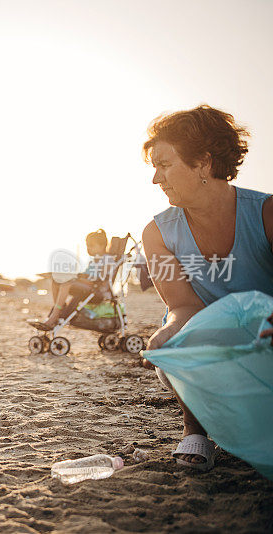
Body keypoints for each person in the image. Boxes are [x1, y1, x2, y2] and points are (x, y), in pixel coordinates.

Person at [140, 105, 273, 470]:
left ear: (202, 162)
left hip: (268, 338)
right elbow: (183, 306)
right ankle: (194, 429)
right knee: (180, 340)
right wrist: (168, 332)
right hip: (212, 339)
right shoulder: (158, 232)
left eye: (164, 164)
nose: (155, 178)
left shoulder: (266, 213)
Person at [33, 229, 111, 330]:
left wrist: (77, 278)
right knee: (56, 282)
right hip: (88, 287)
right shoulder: (94, 260)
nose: (88, 249)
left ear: (102, 245)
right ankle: (61, 308)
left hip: (97, 291)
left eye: (91, 246)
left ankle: (55, 315)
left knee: (66, 283)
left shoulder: (107, 259)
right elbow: (86, 275)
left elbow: (100, 279)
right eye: (87, 246)